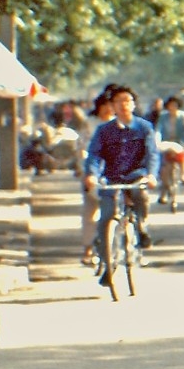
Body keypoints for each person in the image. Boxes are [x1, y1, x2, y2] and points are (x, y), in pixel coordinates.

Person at [83, 84, 160, 286]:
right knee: (105, 219)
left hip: (136, 175)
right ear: (113, 106)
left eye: (127, 100)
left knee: (140, 194)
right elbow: (95, 155)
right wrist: (91, 174)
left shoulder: (144, 128)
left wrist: (151, 175)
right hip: (112, 178)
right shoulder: (104, 131)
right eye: (119, 101)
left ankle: (142, 228)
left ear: (133, 104)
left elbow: (152, 154)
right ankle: (109, 265)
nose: (123, 105)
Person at [78, 91, 116, 265]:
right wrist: (87, 171)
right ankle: (88, 249)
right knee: (91, 212)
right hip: (92, 173)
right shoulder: (90, 124)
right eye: (105, 105)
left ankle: (120, 248)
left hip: (114, 175)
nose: (109, 109)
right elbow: (82, 148)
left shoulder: (121, 125)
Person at [154, 96, 184, 202]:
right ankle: (163, 192)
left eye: (175, 105)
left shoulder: (183, 116)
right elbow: (158, 130)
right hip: (165, 143)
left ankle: (182, 174)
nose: (172, 108)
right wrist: (157, 141)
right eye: (170, 105)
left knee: (181, 154)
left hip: (179, 143)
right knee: (163, 169)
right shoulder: (163, 116)